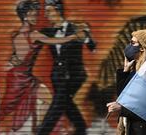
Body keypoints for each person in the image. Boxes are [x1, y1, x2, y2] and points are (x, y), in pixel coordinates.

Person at [0, 0, 81, 132]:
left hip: (19, 76)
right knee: (9, 107)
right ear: (25, 16)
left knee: (43, 101)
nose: (36, 17)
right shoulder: (34, 35)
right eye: (33, 15)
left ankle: (37, 129)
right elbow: (56, 41)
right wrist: (74, 36)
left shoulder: (16, 36)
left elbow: (18, 59)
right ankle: (37, 130)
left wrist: (15, 61)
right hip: (20, 79)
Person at [37, 0, 96, 134]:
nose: (46, 15)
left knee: (58, 104)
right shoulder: (48, 31)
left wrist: (86, 36)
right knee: (65, 103)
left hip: (74, 75)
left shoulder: (76, 28)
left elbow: (92, 47)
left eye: (49, 11)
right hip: (57, 76)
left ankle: (42, 132)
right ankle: (81, 130)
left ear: (58, 10)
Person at [107, 30, 146, 135]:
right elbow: (123, 97)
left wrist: (121, 108)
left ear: (142, 47)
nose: (129, 46)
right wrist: (125, 71)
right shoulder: (135, 69)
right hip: (133, 128)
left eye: (132, 43)